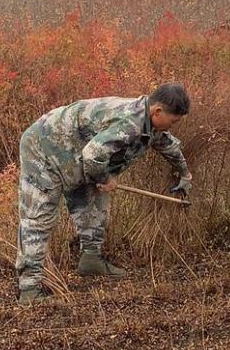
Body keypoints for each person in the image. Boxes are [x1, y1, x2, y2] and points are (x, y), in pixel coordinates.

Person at [16, 82, 192, 304]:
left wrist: (185, 174)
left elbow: (168, 146)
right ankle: (29, 290)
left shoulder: (152, 124)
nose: (173, 126)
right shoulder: (130, 122)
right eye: (173, 121)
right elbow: (93, 155)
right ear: (157, 111)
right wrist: (105, 178)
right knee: (38, 218)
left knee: (94, 202)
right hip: (43, 148)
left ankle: (91, 260)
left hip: (76, 151)